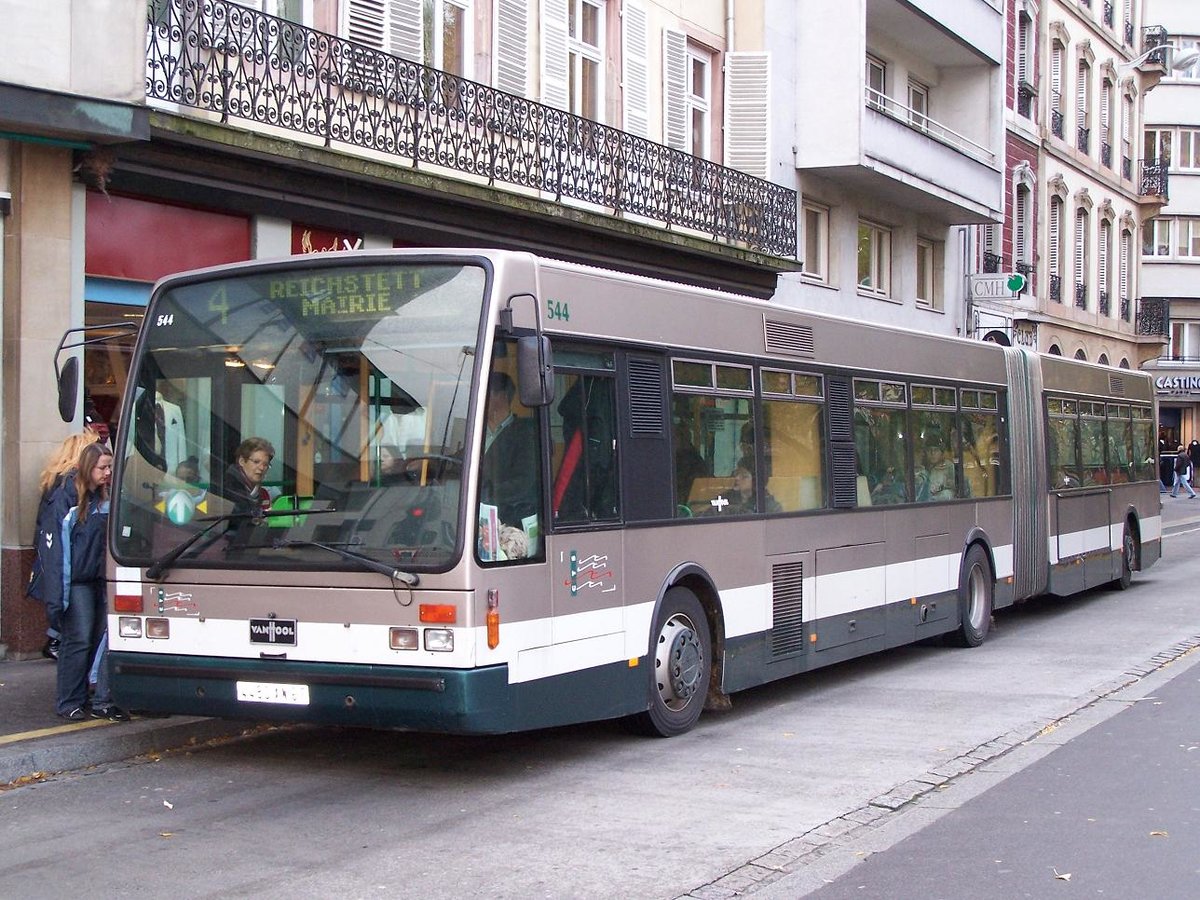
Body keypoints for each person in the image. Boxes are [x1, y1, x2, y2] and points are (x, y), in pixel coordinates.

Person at [56, 442, 128, 721]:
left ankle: (84, 696)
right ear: (89, 468)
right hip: (77, 580)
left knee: (96, 638)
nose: (108, 472)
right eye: (103, 467)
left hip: (97, 577)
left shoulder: (105, 498)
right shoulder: (69, 497)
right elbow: (58, 547)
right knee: (80, 639)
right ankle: (69, 700)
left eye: (110, 467)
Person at [27, 431, 101, 660]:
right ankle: (55, 640)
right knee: (77, 633)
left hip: (63, 562)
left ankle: (55, 638)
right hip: (70, 566)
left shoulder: (56, 482)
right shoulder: (68, 488)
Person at [478, 372, 539, 527]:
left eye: (484, 392)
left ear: (502, 396)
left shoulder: (525, 434)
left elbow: (524, 482)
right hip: (473, 512)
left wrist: (486, 492)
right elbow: (460, 461)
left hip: (509, 518)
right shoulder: (477, 431)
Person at [225, 437, 274, 514]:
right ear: (241, 461)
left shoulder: (263, 494)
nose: (261, 468)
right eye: (256, 462)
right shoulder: (226, 491)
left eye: (265, 464)